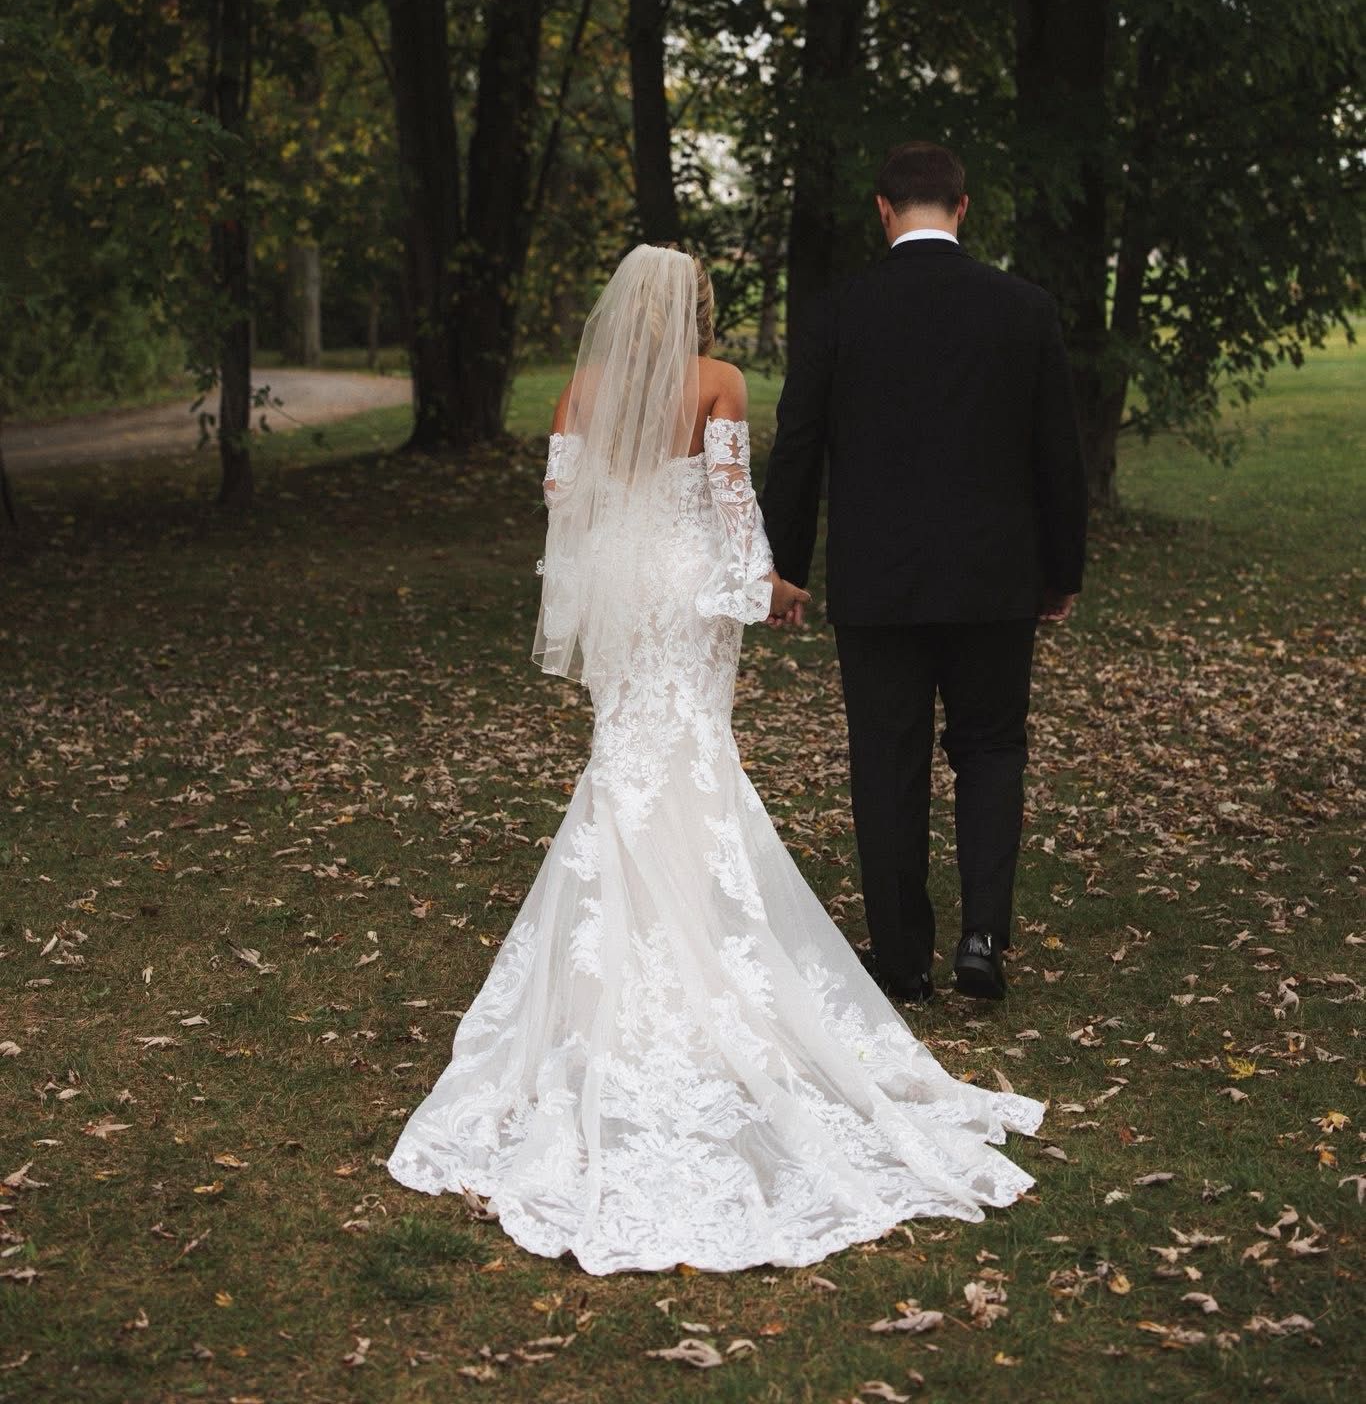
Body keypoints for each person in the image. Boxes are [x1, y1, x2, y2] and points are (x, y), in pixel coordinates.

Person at [386, 242, 1047, 1274]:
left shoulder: (577, 391)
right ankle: (698, 941)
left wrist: (612, 564)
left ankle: (622, 954)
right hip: (689, 591)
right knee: (691, 749)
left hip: (623, 587)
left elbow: (566, 509)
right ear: (697, 307)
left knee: (627, 758)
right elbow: (735, 499)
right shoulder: (720, 382)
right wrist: (766, 585)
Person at [760, 141, 1089, 1007]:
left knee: (887, 759)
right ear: (963, 207)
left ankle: (901, 963)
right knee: (990, 748)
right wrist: (1062, 571)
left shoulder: (839, 312)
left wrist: (780, 565)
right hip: (993, 580)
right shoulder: (1024, 309)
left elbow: (798, 448)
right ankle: (983, 937)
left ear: (882, 210)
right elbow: (1060, 453)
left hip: (879, 585)